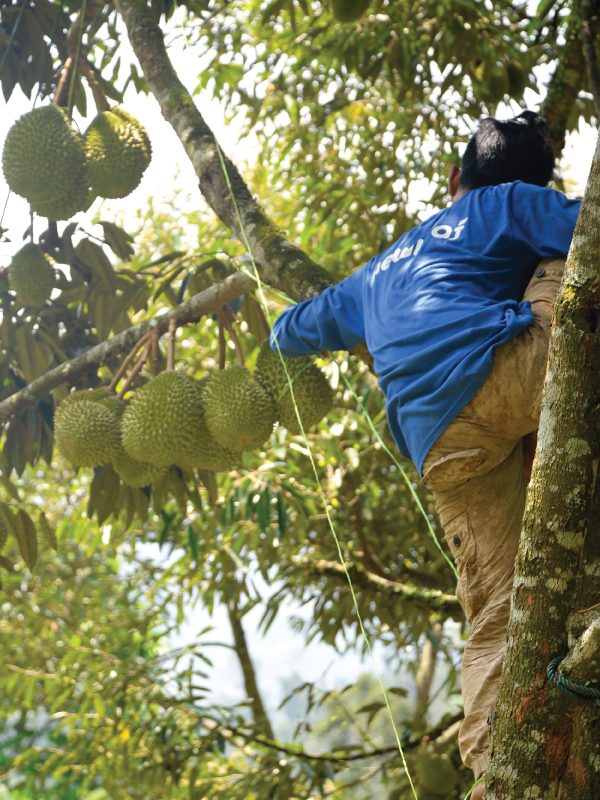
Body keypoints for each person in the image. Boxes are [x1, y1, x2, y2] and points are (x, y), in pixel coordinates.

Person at [270, 111, 582, 797]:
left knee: (494, 614)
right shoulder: (509, 203)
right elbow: (586, 223)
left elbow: (290, 331)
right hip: (510, 379)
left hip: (438, 445)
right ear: (536, 182)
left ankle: (493, 770)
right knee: (574, 255)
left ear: (452, 179)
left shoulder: (380, 268)